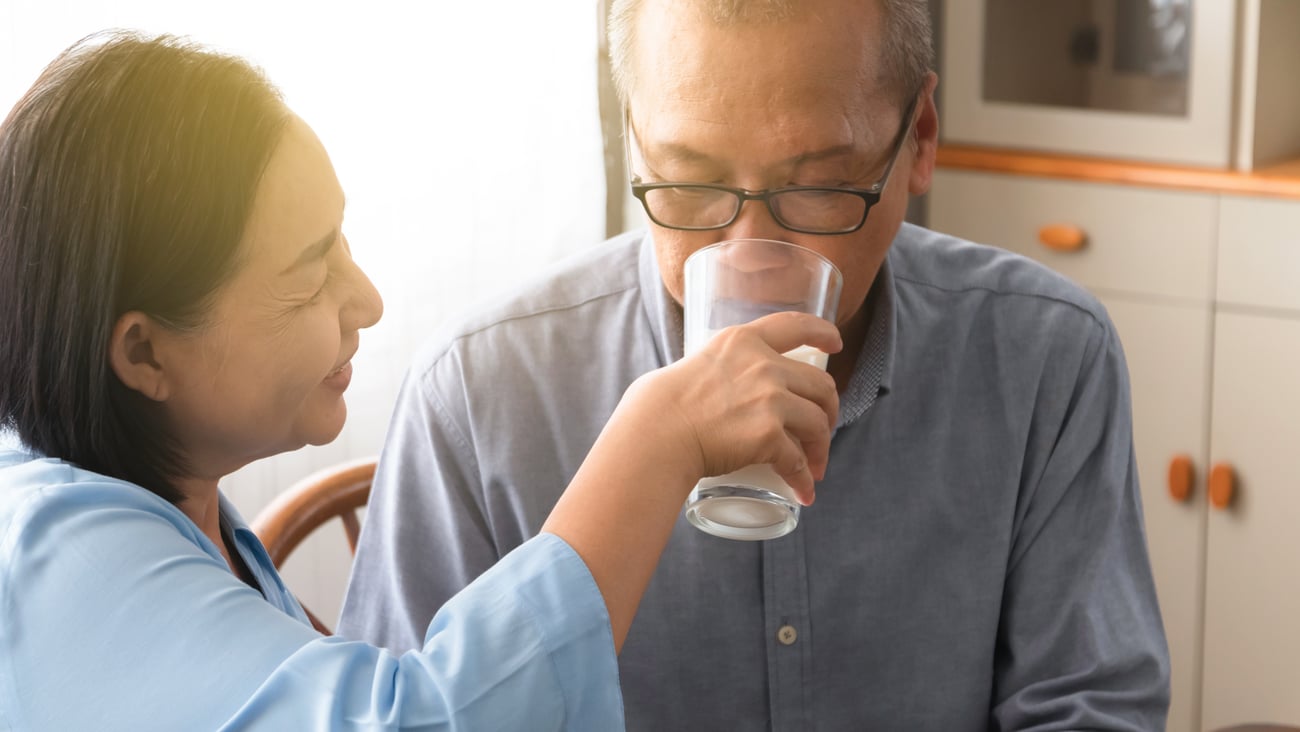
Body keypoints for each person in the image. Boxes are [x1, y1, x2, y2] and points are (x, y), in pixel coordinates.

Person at [339, 0, 1173, 729]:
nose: (751, 255)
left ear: (918, 141)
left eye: (816, 190)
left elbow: (1091, 708)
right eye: (688, 184)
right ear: (631, 139)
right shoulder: (477, 395)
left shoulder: (1046, 360)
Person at [0, 31, 843, 731]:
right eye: (307, 270)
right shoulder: (53, 560)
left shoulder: (177, 513)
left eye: (341, 242)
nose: (364, 301)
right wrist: (659, 437)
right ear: (145, 354)